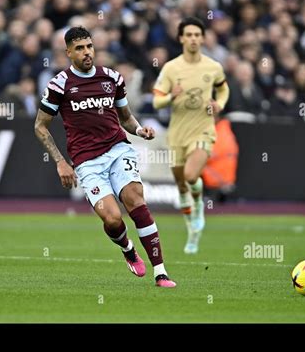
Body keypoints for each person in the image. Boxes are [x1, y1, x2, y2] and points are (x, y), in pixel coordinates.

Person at [34, 26, 176, 288]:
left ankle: (161, 272)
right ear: (68, 53)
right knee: (112, 219)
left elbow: (126, 118)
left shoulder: (112, 78)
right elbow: (40, 126)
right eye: (79, 48)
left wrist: (139, 130)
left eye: (89, 46)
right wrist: (60, 162)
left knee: (135, 200)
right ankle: (127, 249)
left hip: (118, 149)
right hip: (87, 161)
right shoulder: (59, 84)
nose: (86, 52)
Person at [152, 17, 230, 254]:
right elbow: (157, 101)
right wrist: (171, 96)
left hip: (203, 129)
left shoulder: (213, 67)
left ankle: (198, 203)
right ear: (181, 38)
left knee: (190, 174)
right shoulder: (171, 68)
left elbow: (224, 89)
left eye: (198, 34)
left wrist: (219, 104)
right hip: (177, 132)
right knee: (182, 187)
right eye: (189, 35)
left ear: (203, 38)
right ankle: (193, 232)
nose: (194, 38)